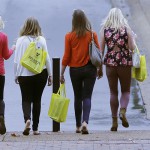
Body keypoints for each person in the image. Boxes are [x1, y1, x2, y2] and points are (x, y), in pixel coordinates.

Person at [60, 9, 102, 134]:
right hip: (90, 69)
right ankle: (85, 122)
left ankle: (78, 126)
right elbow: (98, 53)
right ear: (85, 19)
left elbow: (66, 56)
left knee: (77, 96)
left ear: (73, 20)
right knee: (87, 96)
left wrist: (61, 73)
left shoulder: (69, 36)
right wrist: (100, 69)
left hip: (75, 70)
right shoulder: (92, 34)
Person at [14, 17, 52, 135]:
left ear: (25, 26)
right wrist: (50, 74)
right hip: (40, 73)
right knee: (37, 100)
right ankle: (35, 129)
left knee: (26, 98)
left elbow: (16, 60)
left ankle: (27, 119)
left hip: (24, 75)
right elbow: (46, 58)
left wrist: (16, 74)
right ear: (37, 27)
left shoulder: (20, 40)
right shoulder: (42, 40)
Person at [100, 8, 136, 131]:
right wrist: (133, 39)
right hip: (124, 62)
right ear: (121, 17)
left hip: (110, 63)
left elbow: (101, 50)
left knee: (113, 92)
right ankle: (122, 110)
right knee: (125, 90)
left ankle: (114, 121)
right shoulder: (126, 29)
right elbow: (132, 47)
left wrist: (99, 67)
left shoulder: (105, 30)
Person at [0, 16, 15, 135]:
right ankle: (1, 116)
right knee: (0, 98)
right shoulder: (3, 37)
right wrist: (13, 49)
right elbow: (6, 55)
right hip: (0, 72)